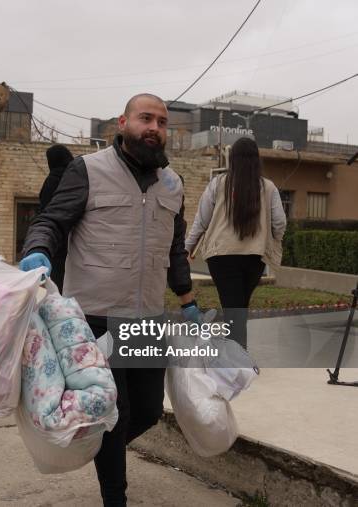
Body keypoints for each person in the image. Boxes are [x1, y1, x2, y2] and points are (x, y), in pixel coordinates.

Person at [19, 93, 206, 506]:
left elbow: (175, 248)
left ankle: (100, 446)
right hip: (95, 319)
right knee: (112, 413)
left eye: (161, 121)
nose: (154, 127)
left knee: (148, 411)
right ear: (122, 123)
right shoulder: (86, 170)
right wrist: (39, 251)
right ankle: (114, 497)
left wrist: (188, 300)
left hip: (148, 319)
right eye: (145, 118)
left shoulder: (173, 184)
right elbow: (50, 220)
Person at [185, 137, 287, 350]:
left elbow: (201, 220)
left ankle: (236, 359)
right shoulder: (268, 187)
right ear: (256, 159)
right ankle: (239, 356)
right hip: (255, 256)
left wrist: (188, 248)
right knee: (239, 306)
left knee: (234, 307)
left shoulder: (217, 184)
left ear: (232, 159)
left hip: (221, 256)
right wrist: (273, 240)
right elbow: (279, 222)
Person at [38, 144, 74, 293]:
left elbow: (45, 212)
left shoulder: (51, 182)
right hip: (78, 242)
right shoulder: (76, 178)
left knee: (59, 286)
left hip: (57, 243)